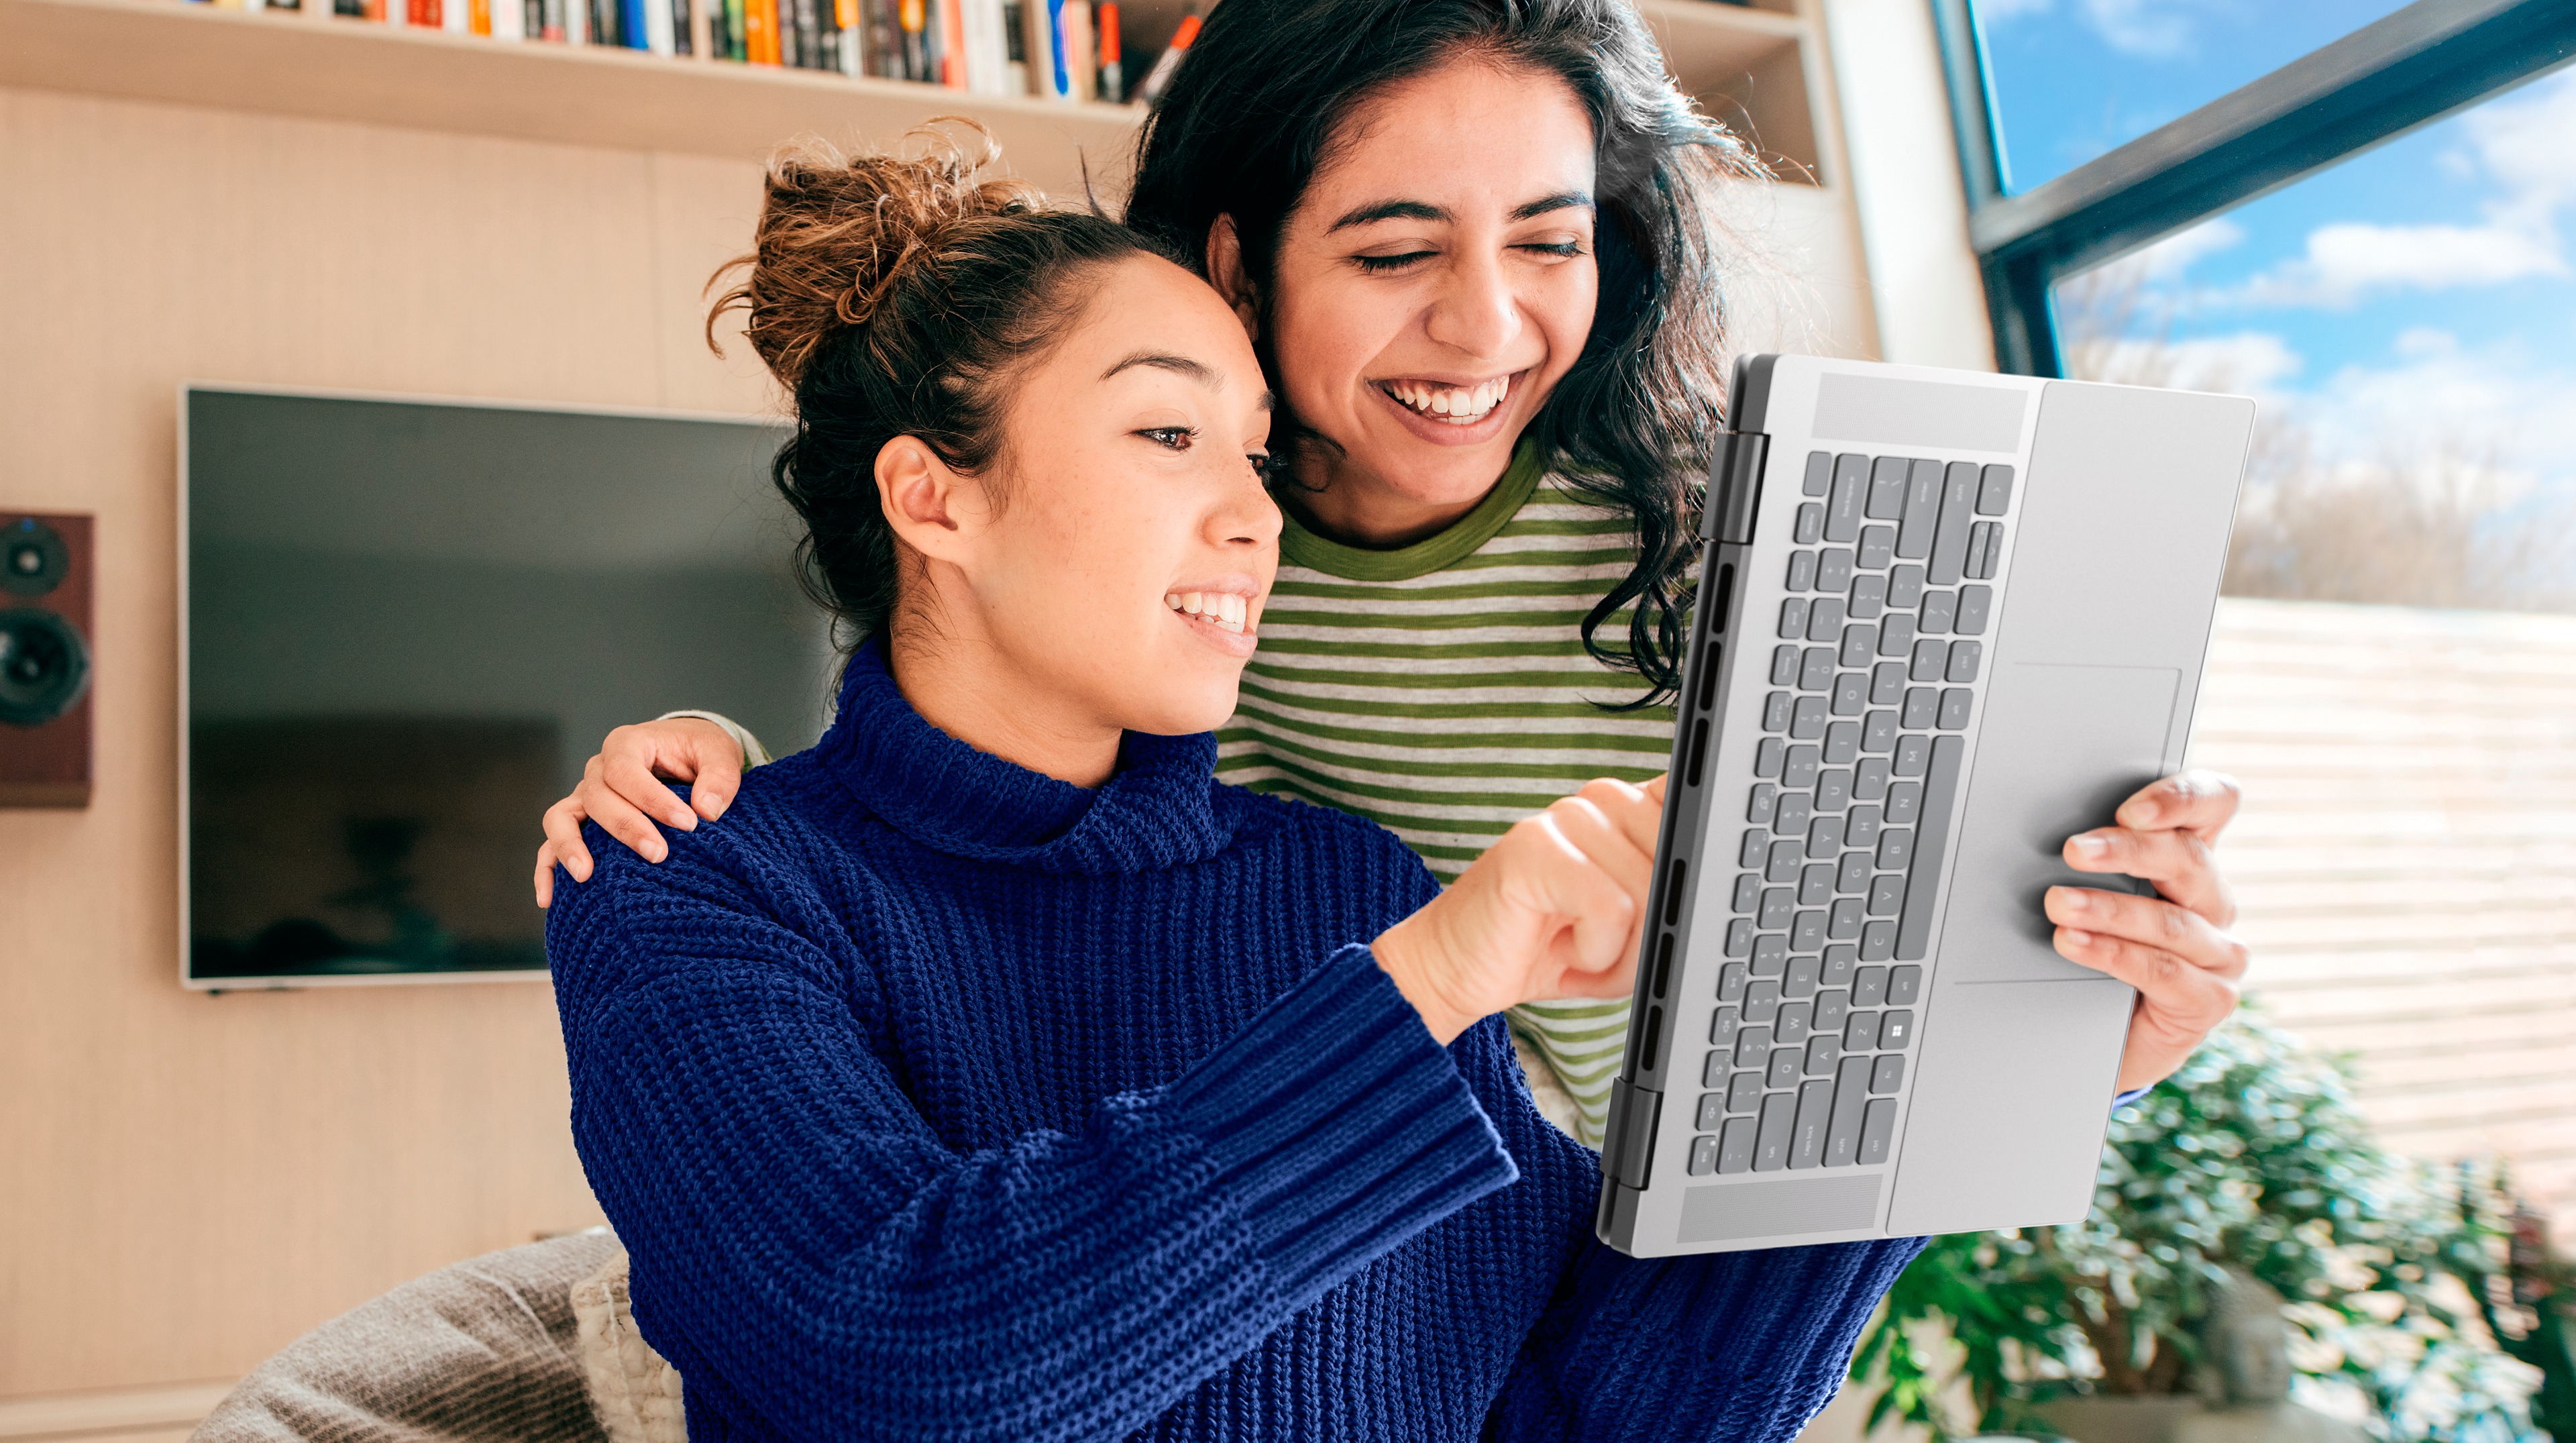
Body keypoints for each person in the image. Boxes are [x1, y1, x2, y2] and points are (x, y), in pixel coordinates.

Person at [534, 0, 2247, 1144]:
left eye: (1552, 243)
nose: (1488, 328)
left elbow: (1891, 989)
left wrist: (2082, 981)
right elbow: (960, 769)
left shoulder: (1727, 533)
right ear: (1231, 250)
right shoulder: (1152, 556)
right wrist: (716, 768)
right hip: (1282, 1208)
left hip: (1612, 1244)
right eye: (1394, 245)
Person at [545, 126, 1921, 1440]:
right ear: (934, 498)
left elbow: (1582, 1409)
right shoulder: (694, 880)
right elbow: (907, 1362)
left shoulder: (1344, 881)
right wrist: (1423, 983)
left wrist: (1952, 1067)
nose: (1257, 514)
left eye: (1256, 449)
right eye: (1168, 434)